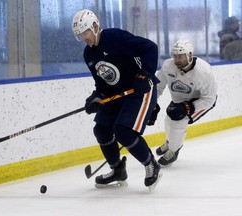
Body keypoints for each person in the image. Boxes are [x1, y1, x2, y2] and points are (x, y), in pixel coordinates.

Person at [72, 9, 162, 191]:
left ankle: (151, 164)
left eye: (86, 33)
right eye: (80, 35)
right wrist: (97, 97)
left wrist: (145, 74)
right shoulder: (89, 55)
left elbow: (150, 48)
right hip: (118, 94)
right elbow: (102, 83)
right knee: (102, 130)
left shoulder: (114, 37)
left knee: (123, 131)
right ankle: (117, 170)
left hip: (140, 89)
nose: (84, 38)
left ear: (95, 26)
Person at [150, 39, 217, 167]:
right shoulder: (168, 66)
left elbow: (210, 98)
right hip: (179, 99)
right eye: (175, 56)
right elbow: (157, 87)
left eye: (180, 56)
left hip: (200, 101)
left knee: (178, 121)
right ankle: (170, 142)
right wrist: (151, 104)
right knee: (168, 119)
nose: (177, 60)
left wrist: (189, 107)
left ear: (190, 55)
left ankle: (173, 151)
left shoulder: (204, 71)